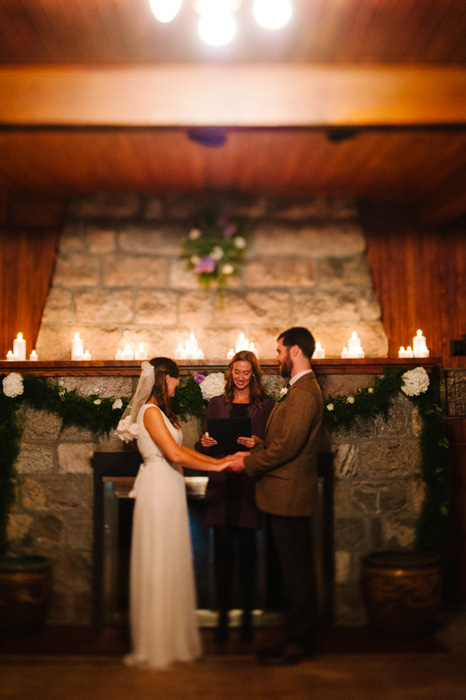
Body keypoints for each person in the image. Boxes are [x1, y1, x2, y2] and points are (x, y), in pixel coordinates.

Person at [116, 357, 230, 670]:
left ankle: (172, 639)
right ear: (163, 379)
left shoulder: (164, 413)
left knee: (171, 559)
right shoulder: (150, 412)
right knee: (158, 560)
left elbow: (182, 453)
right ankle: (155, 645)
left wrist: (213, 458)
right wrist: (219, 464)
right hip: (157, 488)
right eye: (176, 378)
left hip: (169, 483)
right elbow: (175, 453)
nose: (179, 384)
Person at [228, 327, 324, 665]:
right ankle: (298, 638)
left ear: (295, 351)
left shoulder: (304, 393)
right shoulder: (298, 389)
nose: (277, 357)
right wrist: (255, 448)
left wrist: (249, 464)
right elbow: (281, 440)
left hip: (290, 496)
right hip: (283, 495)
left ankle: (299, 643)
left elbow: (287, 447)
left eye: (280, 350)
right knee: (292, 570)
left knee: (296, 574)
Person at [195, 351, 274, 642]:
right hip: (220, 483)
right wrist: (204, 442)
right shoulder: (216, 404)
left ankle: (247, 621)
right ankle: (224, 618)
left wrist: (258, 442)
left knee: (248, 555)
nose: (241, 378)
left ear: (254, 375)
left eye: (246, 373)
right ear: (230, 374)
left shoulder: (266, 406)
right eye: (236, 372)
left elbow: (274, 446)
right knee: (223, 555)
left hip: (248, 485)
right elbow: (202, 444)